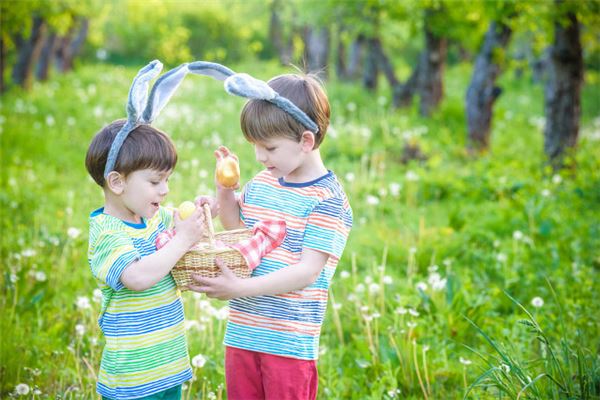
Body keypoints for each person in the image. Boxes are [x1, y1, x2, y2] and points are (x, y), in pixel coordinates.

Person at [190, 73, 353, 400]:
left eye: (270, 147)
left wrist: (240, 288)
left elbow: (307, 271)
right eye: (255, 147)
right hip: (243, 333)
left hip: (288, 343)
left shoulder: (327, 200)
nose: (260, 157)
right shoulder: (264, 182)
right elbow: (236, 226)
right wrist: (225, 192)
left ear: (306, 142)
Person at [85, 119, 208, 400]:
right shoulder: (107, 233)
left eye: (167, 180)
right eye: (154, 181)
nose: (164, 190)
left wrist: (204, 209)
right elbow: (136, 277)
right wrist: (182, 240)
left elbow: (183, 222)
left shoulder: (156, 218)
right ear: (117, 182)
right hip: (132, 380)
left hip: (168, 366)